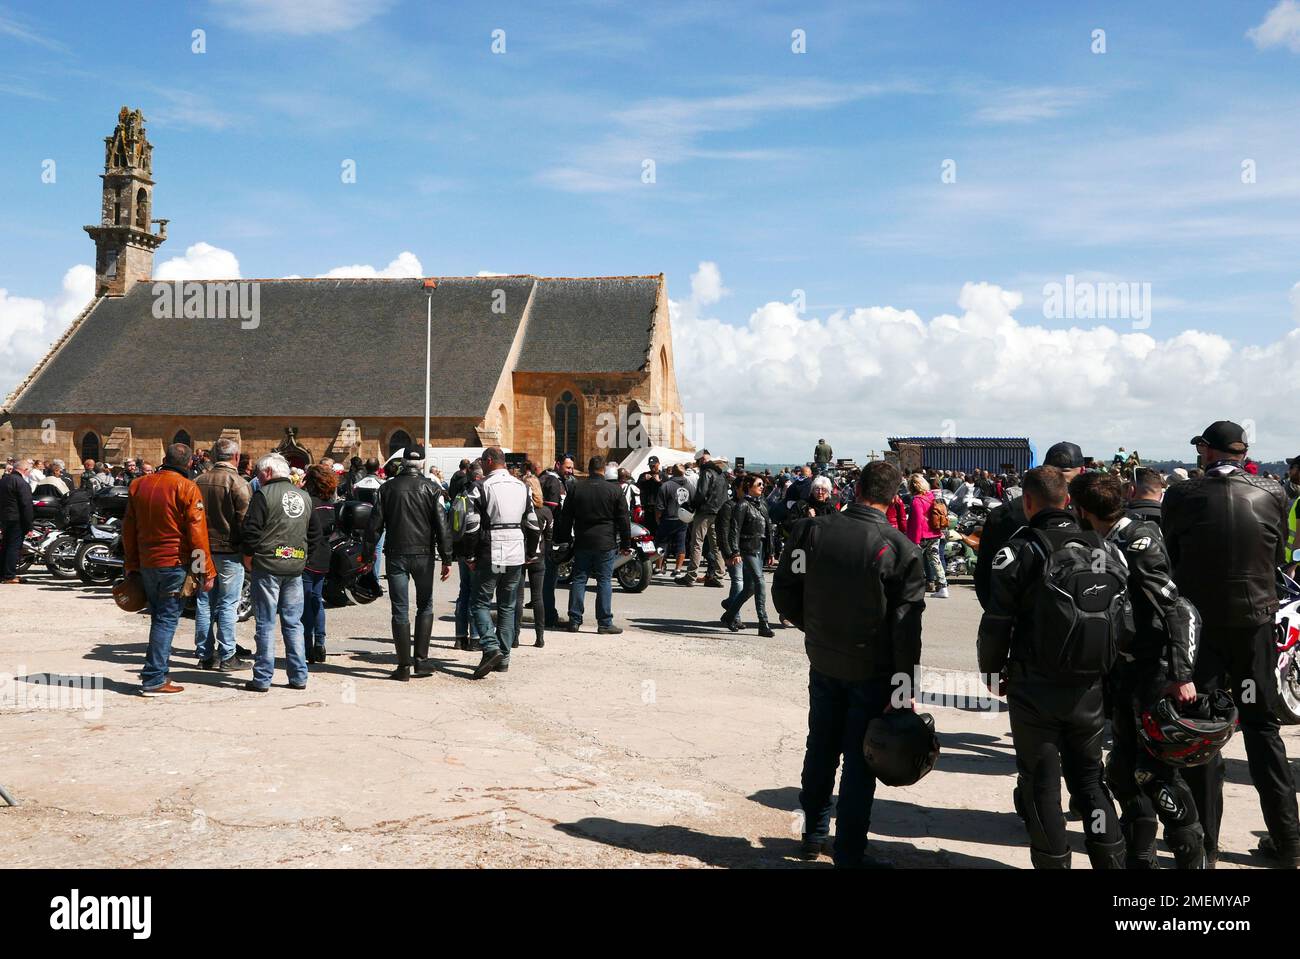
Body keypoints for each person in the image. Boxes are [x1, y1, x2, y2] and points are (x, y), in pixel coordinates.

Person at [773, 461, 926, 868]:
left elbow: (786, 590)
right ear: (895, 498)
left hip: (826, 659)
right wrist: (903, 688)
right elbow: (905, 630)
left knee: (821, 748)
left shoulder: (813, 532)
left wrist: (816, 629)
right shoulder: (899, 549)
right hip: (870, 669)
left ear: (855, 488)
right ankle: (848, 850)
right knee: (860, 761)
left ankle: (813, 834)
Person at [1164, 420, 1300, 866]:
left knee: (1203, 729)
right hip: (1255, 623)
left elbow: (1173, 558)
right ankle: (1288, 839)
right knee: (1263, 729)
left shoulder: (1182, 494)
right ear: (1243, 453)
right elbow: (1278, 553)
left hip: (1202, 626)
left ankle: (1204, 843)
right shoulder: (1272, 492)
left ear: (1206, 451)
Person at [977, 466, 1127, 868]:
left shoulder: (1019, 549)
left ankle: (1054, 862)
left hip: (1035, 687)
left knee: (1040, 784)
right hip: (1090, 687)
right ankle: (1110, 861)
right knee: (1091, 781)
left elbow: (996, 623)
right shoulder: (1103, 547)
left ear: (1028, 502)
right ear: (1068, 501)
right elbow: (1123, 622)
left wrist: (991, 673)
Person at [1068, 471, 1206, 869]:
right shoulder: (1101, 541)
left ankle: (1191, 857)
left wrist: (1181, 674)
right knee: (1125, 773)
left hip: (1154, 675)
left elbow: (1178, 609)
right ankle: (1140, 856)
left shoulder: (1137, 541)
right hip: (1123, 674)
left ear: (1081, 509)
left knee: (1159, 774)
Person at [122, 444, 214, 696]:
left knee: (159, 618)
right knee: (165, 619)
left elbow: (128, 529)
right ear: (188, 464)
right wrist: (204, 570)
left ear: (164, 460)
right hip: (173, 563)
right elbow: (197, 534)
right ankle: (153, 677)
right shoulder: (187, 487)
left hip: (148, 562)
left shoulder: (138, 485)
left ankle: (155, 670)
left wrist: (131, 565)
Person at [364, 448, 454, 681]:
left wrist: (366, 554)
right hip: (423, 553)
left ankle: (403, 665)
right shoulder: (432, 488)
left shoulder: (387, 488)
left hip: (396, 553)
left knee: (400, 608)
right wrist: (446, 557)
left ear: (403, 463)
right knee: (425, 605)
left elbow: (375, 525)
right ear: (422, 464)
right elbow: (442, 525)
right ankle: (421, 660)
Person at [241, 453, 323, 693]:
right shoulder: (305, 497)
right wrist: (303, 557)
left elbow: (251, 531)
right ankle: (299, 676)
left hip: (267, 566)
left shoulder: (263, 495)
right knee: (293, 623)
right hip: (295, 567)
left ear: (267, 473)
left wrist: (248, 557)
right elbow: (315, 535)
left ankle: (263, 678)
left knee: (265, 623)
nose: (258, 478)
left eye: (259, 474)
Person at [458, 447, 539, 678]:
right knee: (507, 606)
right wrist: (530, 553)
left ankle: (490, 646)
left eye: (483, 461)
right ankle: (503, 658)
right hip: (515, 551)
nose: (481, 465)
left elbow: (472, 526)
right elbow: (533, 524)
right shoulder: (522, 487)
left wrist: (470, 555)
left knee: (480, 603)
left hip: (492, 552)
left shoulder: (480, 487)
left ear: (489, 461)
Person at [975, 441, 1085, 609]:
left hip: (1019, 620)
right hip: (1077, 622)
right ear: (1082, 471)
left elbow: (985, 576)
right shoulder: (1091, 512)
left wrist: (1001, 619)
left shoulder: (1005, 513)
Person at [193, 437, 252, 672]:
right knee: (228, 604)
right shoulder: (237, 482)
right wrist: (248, 551)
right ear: (235, 457)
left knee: (204, 602)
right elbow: (245, 522)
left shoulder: (197, 481)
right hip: (229, 551)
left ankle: (206, 655)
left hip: (201, 551)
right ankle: (227, 655)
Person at [558, 455, 632, 634]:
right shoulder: (614, 490)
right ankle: (604, 622)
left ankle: (574, 620)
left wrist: (564, 539)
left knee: (579, 579)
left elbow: (566, 517)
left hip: (583, 540)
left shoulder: (576, 488)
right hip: (605, 541)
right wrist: (626, 543)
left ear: (589, 469)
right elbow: (624, 519)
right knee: (604, 580)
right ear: (604, 470)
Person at [722, 473, 775, 636]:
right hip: (747, 549)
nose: (762, 487)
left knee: (750, 588)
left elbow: (768, 529)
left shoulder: (762, 504)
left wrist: (771, 551)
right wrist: (735, 551)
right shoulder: (743, 505)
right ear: (749, 487)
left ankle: (729, 615)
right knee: (760, 582)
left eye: (762, 485)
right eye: (758, 484)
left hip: (760, 548)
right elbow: (734, 530)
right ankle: (763, 623)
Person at [301, 464, 339, 665]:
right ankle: (320, 644)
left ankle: (308, 647)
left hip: (308, 557)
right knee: (317, 600)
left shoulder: (308, 503)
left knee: (306, 603)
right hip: (324, 558)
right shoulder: (330, 505)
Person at [513, 475, 553, 649]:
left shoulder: (518, 510)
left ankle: (515, 637)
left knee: (518, 598)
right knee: (538, 598)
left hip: (520, 555)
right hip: (538, 556)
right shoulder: (545, 511)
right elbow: (549, 537)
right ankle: (540, 636)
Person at [680, 450, 727, 587]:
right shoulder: (721, 473)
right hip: (718, 512)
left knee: (696, 543)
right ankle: (719, 576)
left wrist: (693, 506)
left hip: (705, 512)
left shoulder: (706, 472)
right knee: (716, 545)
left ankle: (691, 576)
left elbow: (701, 493)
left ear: (701, 460)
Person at [903, 474, 949, 599]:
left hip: (922, 536)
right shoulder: (931, 496)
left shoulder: (917, 500)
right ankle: (943, 587)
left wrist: (915, 540)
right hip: (935, 534)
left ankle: (910, 587)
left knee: (912, 561)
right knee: (935, 560)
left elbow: (917, 521)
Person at [715, 475, 746, 622]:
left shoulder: (754, 505)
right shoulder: (728, 506)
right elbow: (722, 532)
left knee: (748, 585)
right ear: (736, 489)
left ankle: (730, 603)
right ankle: (735, 616)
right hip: (734, 552)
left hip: (749, 551)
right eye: (743, 487)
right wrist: (727, 554)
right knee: (738, 581)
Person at [0, 458, 35, 584]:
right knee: (13, 547)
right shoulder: (21, 483)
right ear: (24, 470)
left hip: (5, 518)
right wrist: (29, 526)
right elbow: (26, 505)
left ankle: (3, 573)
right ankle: (9, 575)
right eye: (28, 471)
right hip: (17, 519)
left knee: (5, 546)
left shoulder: (3, 480)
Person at [655, 464, 690, 577]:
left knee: (662, 543)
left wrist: (658, 519)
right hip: (683, 519)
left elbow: (659, 506)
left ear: (672, 472)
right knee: (681, 543)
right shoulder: (690, 486)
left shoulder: (666, 486)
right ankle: (678, 569)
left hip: (667, 517)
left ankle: (658, 568)